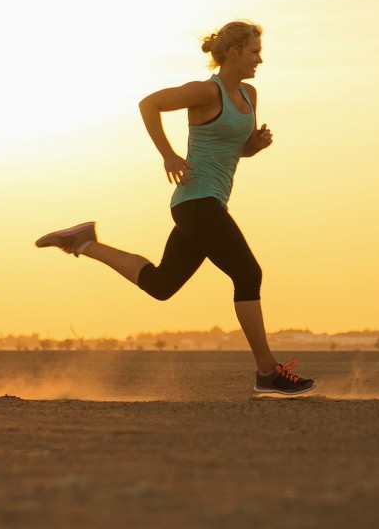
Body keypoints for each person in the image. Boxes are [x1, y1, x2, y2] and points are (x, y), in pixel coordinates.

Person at [35, 20, 315, 396]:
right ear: (234, 53)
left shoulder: (249, 94)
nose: (259, 60)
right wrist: (168, 154)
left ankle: (83, 242)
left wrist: (256, 145)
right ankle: (267, 371)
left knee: (162, 285)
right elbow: (149, 104)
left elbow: (238, 148)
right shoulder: (205, 91)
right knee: (248, 273)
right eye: (254, 52)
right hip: (196, 202)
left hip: (206, 203)